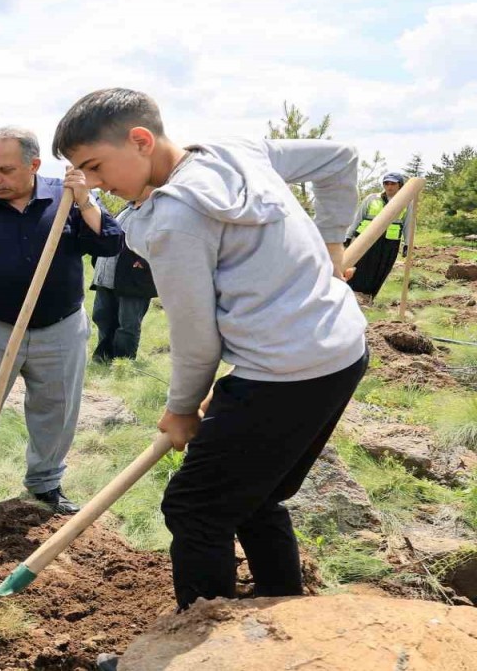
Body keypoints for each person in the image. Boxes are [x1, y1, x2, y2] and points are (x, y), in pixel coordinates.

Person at [52, 89, 367, 621]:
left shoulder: (175, 221)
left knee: (194, 508)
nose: (96, 183)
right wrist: (332, 242)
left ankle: (203, 642)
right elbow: (340, 158)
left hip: (283, 373)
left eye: (96, 166)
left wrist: (180, 410)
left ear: (141, 140)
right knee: (254, 497)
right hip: (340, 351)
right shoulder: (236, 151)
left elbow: (196, 337)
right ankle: (282, 618)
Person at [0, 127, 122, 517]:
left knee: (57, 409)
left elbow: (109, 243)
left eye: (4, 170)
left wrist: (86, 202)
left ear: (34, 165)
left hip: (60, 327)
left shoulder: (68, 199)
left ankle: (45, 483)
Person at [90, 194, 158, 363]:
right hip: (107, 276)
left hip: (134, 279)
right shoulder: (127, 208)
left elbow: (165, 241)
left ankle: (122, 363)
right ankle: (103, 357)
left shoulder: (157, 210)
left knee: (127, 324)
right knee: (102, 317)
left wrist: (144, 262)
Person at [345, 171, 412, 299]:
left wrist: (407, 244)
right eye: (386, 183)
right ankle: (352, 294)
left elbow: (408, 224)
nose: (389, 186)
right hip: (365, 238)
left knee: (381, 269)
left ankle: (369, 296)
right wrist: (348, 236)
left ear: (400, 185)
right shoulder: (371, 198)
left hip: (389, 242)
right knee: (359, 266)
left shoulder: (407, 203)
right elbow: (358, 217)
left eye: (393, 183)